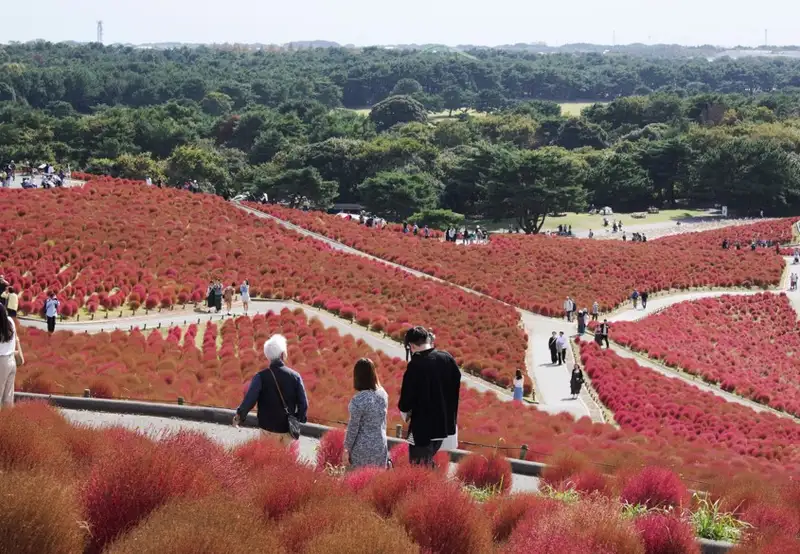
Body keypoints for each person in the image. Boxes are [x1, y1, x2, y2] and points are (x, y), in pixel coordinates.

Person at [398, 326, 460, 466]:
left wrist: (406, 411)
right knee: (428, 463)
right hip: (442, 428)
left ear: (411, 346)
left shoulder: (415, 366)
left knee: (418, 468)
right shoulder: (447, 358)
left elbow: (406, 402)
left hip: (421, 430)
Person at [233, 334, 308, 446]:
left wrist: (240, 415)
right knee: (285, 461)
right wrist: (298, 418)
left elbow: (250, 400)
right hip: (286, 430)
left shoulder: (260, 377)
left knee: (267, 461)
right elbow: (304, 403)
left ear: (268, 356)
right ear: (283, 354)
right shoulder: (295, 376)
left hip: (267, 429)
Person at [343, 358, 389, 469]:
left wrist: (346, 449)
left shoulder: (358, 400)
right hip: (380, 446)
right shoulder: (383, 395)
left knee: (355, 481)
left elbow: (353, 428)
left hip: (361, 449)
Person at [0, 304, 23, 407]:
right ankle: (7, 419)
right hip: (11, 360)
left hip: (2, 362)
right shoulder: (10, 321)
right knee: (8, 397)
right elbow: (15, 338)